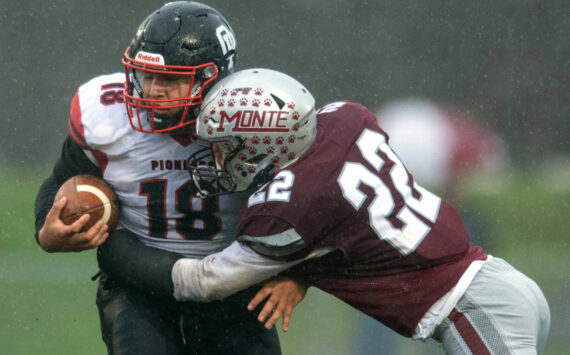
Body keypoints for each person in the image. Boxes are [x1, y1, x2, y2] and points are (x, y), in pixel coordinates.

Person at [99, 68, 551, 354]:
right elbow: (351, 229)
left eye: (224, 148)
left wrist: (114, 248)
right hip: (497, 283)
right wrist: (303, 273)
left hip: (469, 307)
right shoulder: (346, 118)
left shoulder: (287, 208)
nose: (216, 160)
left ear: (260, 145)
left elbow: (204, 282)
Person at [34, 3, 303, 354]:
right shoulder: (107, 117)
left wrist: (300, 277)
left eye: (172, 79)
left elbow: (311, 210)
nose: (154, 90)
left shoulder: (257, 120)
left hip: (235, 281)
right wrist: (47, 230)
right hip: (138, 283)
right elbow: (60, 179)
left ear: (213, 79)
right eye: (148, 76)